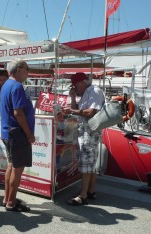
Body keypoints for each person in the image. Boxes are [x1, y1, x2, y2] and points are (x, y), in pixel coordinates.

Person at [62, 72, 105, 206]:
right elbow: (78, 109)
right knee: (90, 163)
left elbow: (91, 112)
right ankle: (91, 191)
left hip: (89, 131)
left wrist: (71, 112)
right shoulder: (87, 92)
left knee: (86, 163)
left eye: (75, 86)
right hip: (86, 131)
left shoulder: (94, 91)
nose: (75, 88)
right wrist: (73, 97)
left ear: (81, 83)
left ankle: (83, 195)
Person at [0, 59, 35, 212]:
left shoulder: (6, 85)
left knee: (11, 165)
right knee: (17, 169)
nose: (28, 72)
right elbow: (18, 113)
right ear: (19, 69)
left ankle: (7, 198)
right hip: (17, 134)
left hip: (8, 132)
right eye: (27, 69)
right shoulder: (17, 86)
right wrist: (29, 134)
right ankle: (11, 203)